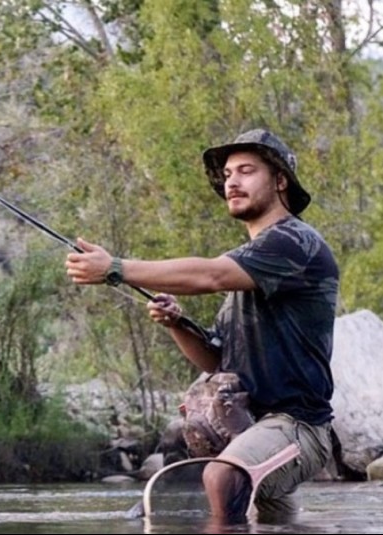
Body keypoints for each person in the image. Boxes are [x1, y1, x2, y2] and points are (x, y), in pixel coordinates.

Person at [64, 128, 339, 525]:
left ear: (280, 181)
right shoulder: (250, 271)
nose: (232, 181)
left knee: (223, 476)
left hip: (298, 428)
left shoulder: (295, 242)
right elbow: (215, 360)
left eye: (246, 171)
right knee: (270, 519)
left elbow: (211, 275)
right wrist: (177, 325)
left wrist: (117, 269)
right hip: (248, 426)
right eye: (228, 174)